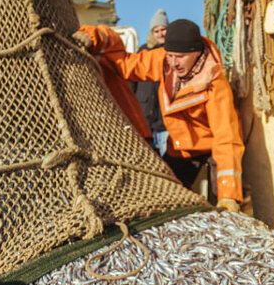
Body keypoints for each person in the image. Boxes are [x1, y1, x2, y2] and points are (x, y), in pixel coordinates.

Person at [78, 18, 244, 211]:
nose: (173, 63)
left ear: (197, 53)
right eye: (170, 55)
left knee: (225, 206)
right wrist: (94, 37)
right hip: (180, 150)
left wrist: (228, 195)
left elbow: (227, 139)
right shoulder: (162, 60)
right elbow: (124, 64)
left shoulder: (215, 85)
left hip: (213, 151)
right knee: (165, 196)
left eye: (180, 57)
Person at [133, 9, 168, 153]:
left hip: (165, 123)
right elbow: (132, 81)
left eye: (163, 29)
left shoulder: (173, 53)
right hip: (145, 120)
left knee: (168, 160)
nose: (160, 33)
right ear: (152, 33)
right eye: (156, 30)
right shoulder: (143, 51)